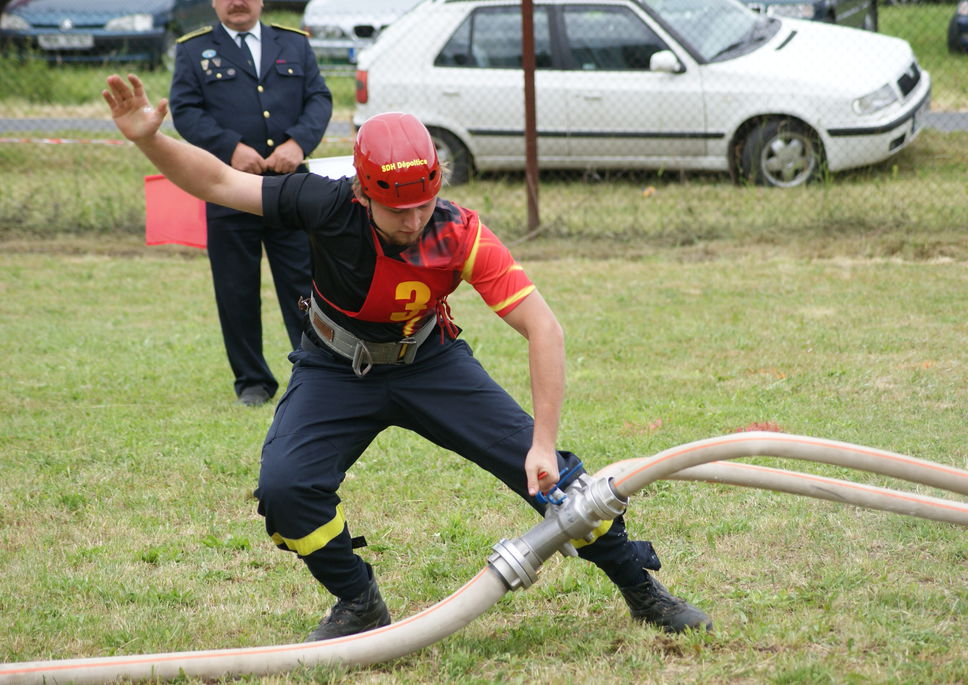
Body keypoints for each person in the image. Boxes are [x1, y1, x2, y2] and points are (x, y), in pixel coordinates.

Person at [103, 73, 712, 641]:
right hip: (336, 366)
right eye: (398, 209)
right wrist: (150, 140)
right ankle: (358, 601)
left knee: (562, 484)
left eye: (425, 202)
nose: (415, 220)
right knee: (286, 490)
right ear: (363, 192)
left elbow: (544, 329)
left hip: (429, 361)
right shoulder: (322, 202)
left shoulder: (459, 232)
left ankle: (642, 590)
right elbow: (218, 183)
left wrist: (543, 444)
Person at [169, 0, 332, 406]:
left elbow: (319, 98)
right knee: (235, 289)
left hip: (290, 190)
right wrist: (229, 148)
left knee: (303, 286)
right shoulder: (193, 50)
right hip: (228, 188)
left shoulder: (294, 44)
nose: (237, 2)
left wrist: (298, 143)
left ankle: (314, 373)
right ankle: (253, 382)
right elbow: (185, 111)